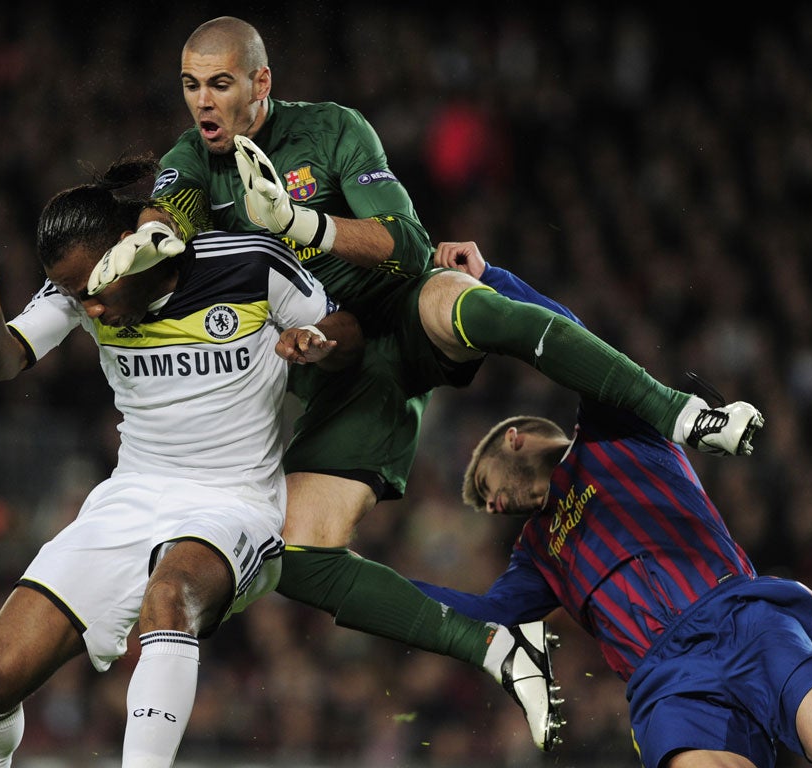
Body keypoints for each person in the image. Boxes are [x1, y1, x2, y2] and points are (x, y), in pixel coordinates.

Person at [84, 15, 765, 751]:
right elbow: (170, 208)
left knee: (471, 304)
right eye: (191, 86)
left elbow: (406, 243)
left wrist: (304, 225)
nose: (204, 103)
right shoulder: (192, 156)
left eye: (220, 84)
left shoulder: (336, 131)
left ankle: (684, 414)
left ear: (261, 82)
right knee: (296, 556)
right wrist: (150, 237)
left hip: (400, 305)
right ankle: (496, 650)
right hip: (340, 370)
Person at [0, 156, 363, 768]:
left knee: (170, 598)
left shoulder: (248, 264)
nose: (91, 310)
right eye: (78, 298)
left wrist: (319, 343)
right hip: (130, 496)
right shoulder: (79, 291)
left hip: (231, 499)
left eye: (95, 292)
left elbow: (345, 326)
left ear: (132, 250)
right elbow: (2, 361)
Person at [409, 241, 812, 768]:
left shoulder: (614, 428)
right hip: (668, 682)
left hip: (742, 616)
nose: (492, 506)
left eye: (487, 486)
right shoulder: (536, 553)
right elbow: (484, 615)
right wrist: (352, 580)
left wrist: (493, 278)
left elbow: (570, 338)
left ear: (514, 438)